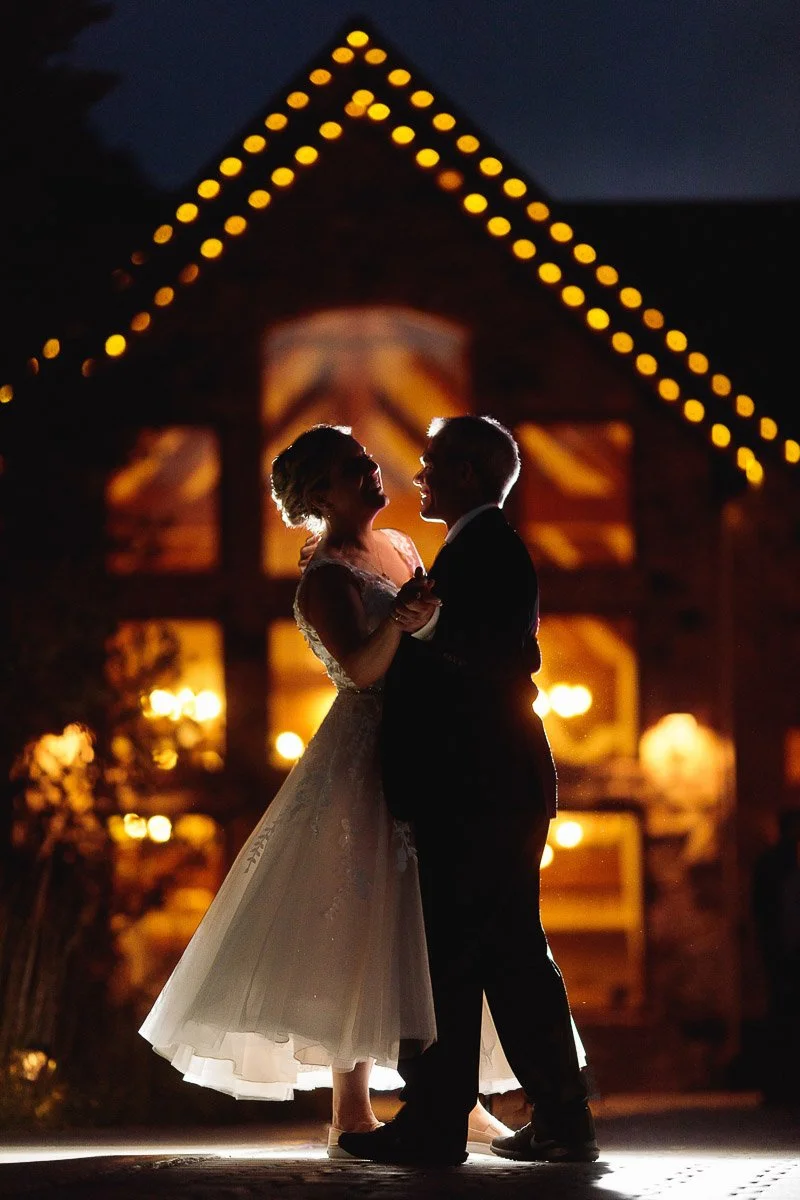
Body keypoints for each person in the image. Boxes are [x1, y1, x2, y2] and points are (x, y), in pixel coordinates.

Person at [139, 423, 519, 1156]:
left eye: (370, 462)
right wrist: (406, 623)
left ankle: (447, 1095)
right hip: (366, 747)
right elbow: (362, 670)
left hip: (428, 742)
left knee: (428, 919)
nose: (375, 473)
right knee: (359, 914)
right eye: (356, 468)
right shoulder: (324, 577)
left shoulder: (403, 547)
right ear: (321, 493)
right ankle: (352, 1108)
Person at [339, 416, 598, 1167]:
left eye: (430, 465)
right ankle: (550, 1117)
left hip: (479, 787)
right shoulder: (482, 550)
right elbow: (519, 648)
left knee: (467, 953)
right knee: (497, 951)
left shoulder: (491, 551)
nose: (418, 477)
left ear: (466, 474)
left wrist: (424, 627)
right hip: (485, 785)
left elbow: (492, 655)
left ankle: (442, 1121)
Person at [751, 808, 800, 1105]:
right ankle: (780, 1087)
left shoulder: (780, 864)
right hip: (783, 952)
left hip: (785, 950)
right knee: (782, 1017)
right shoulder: (776, 865)